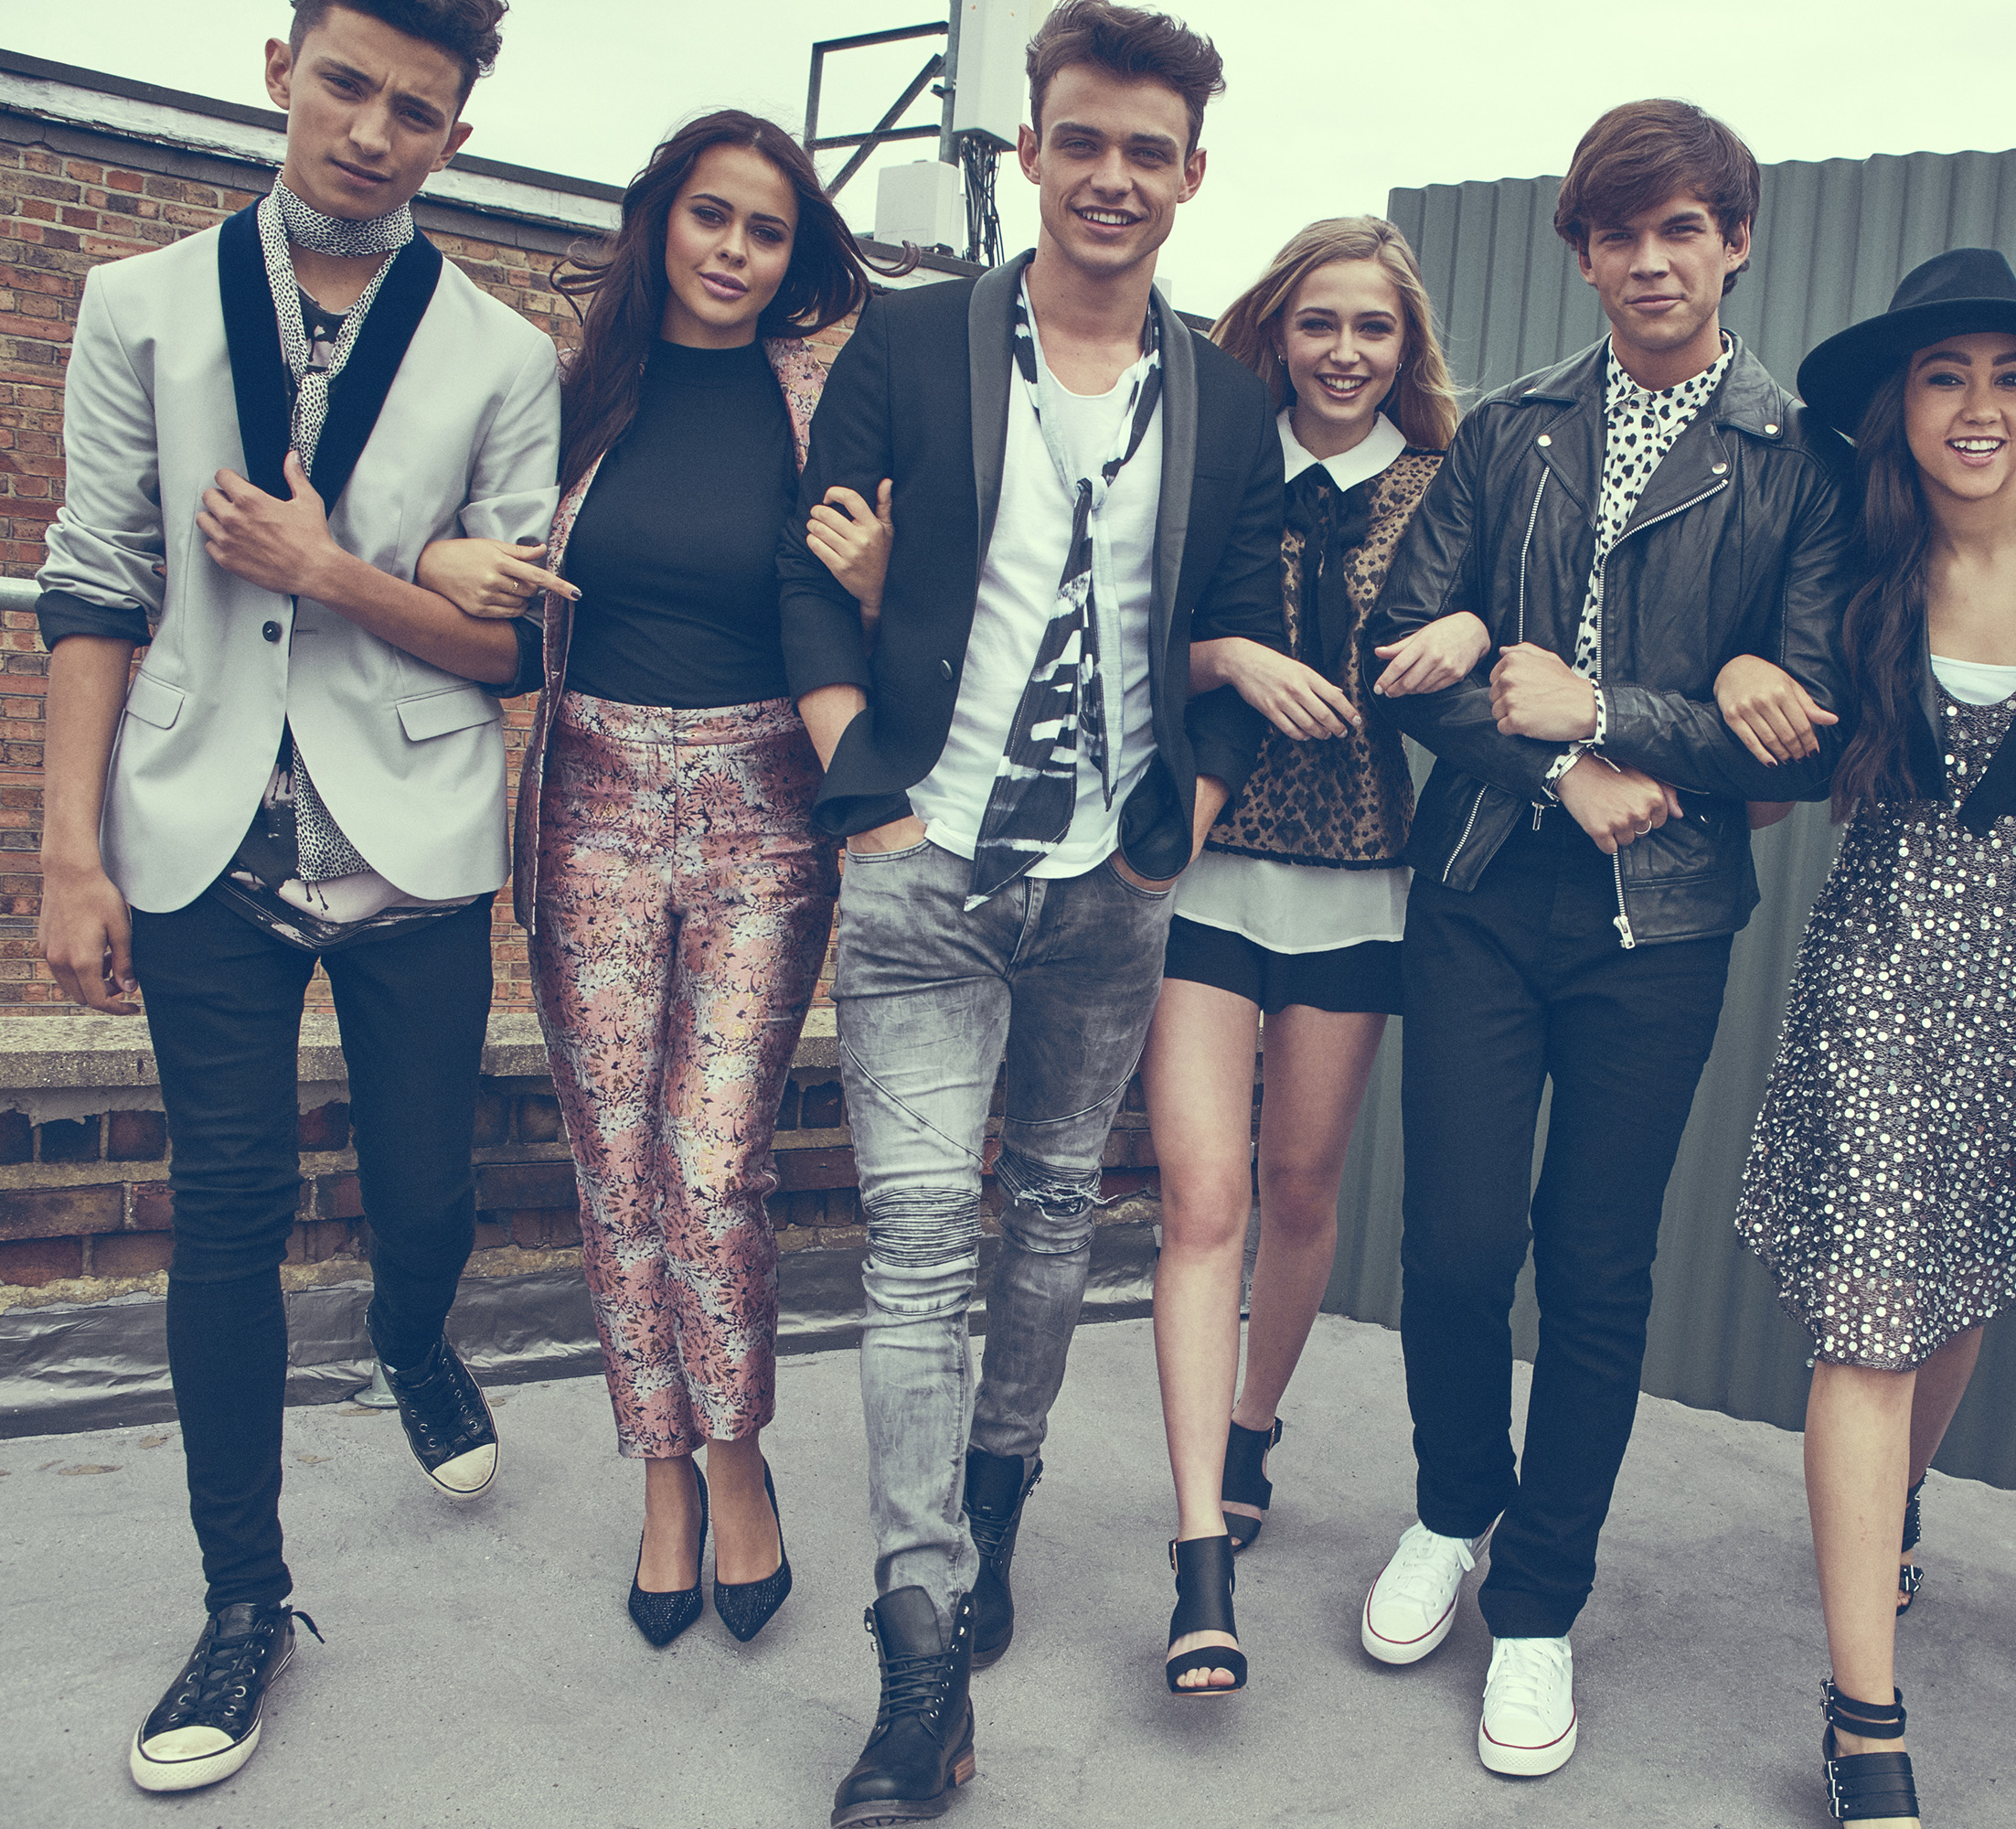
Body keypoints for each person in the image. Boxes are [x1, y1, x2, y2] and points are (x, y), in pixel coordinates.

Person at [32, 0, 550, 1795]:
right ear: (280, 70)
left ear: (457, 133)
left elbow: (514, 646)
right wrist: (71, 853)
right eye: (344, 84)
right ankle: (243, 1600)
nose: (370, 131)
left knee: (425, 1199)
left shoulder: (503, 353)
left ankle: (412, 1336)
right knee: (228, 1213)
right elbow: (96, 582)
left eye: (415, 108)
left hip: (413, 836)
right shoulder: (137, 304)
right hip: (200, 835)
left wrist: (336, 571)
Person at [778, 5, 1284, 1818]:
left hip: (1107, 884)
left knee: (1059, 1213)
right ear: (1032, 149)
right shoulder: (913, 342)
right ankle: (918, 1654)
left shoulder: (1226, 401)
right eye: (1084, 141)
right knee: (918, 1249)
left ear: (1191, 175)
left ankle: (994, 1506)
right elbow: (809, 576)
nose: (1112, 178)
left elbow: (1240, 636)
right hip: (924, 867)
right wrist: (864, 794)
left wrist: (1180, 831)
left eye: (1149, 151)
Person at [1355, 99, 1852, 1778]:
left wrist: (1616, 712)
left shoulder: (1797, 462)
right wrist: (1565, 764)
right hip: (1486, 886)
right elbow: (1403, 653)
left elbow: (1812, 727)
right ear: (1582, 251)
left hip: (1666, 920)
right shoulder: (1511, 429)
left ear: (1735, 242)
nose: (1651, 261)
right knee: (1454, 1244)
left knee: (1595, 1263)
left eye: (1681, 229)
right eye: (1619, 233)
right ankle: (1453, 1508)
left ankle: (1541, 1602)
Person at [416, 112, 899, 1650]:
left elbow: (906, 594)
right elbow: (460, 555)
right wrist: (433, 561)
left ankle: (738, 1448)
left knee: (710, 1157)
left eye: (766, 229)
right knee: (613, 1164)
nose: (733, 251)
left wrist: (885, 587)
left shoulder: (828, 394)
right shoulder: (570, 393)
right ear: (659, 221)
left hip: (767, 803)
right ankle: (664, 1473)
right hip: (593, 802)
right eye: (710, 217)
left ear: (794, 252)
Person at [1722, 248, 2016, 1829]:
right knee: (1866, 1322)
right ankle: (1865, 1717)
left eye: (2008, 375)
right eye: (1944, 375)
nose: (1978, 405)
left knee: (1956, 1283)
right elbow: (1768, 748)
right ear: (1898, 408)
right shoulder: (1849, 575)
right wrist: (1738, 668)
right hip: (1880, 968)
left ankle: (1896, 1503)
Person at [1139, 215, 1481, 1693]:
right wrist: (1229, 657)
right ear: (1277, 330)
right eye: (1320, 322)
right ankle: (1197, 1544)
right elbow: (1126, 635)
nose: (1346, 352)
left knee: (1296, 1187)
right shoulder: (1212, 463)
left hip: (1359, 880)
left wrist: (1474, 627)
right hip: (1206, 865)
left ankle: (1252, 1425)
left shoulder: (1447, 486)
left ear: (1407, 349)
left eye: (1375, 328)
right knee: (1202, 1195)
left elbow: (1504, 636)